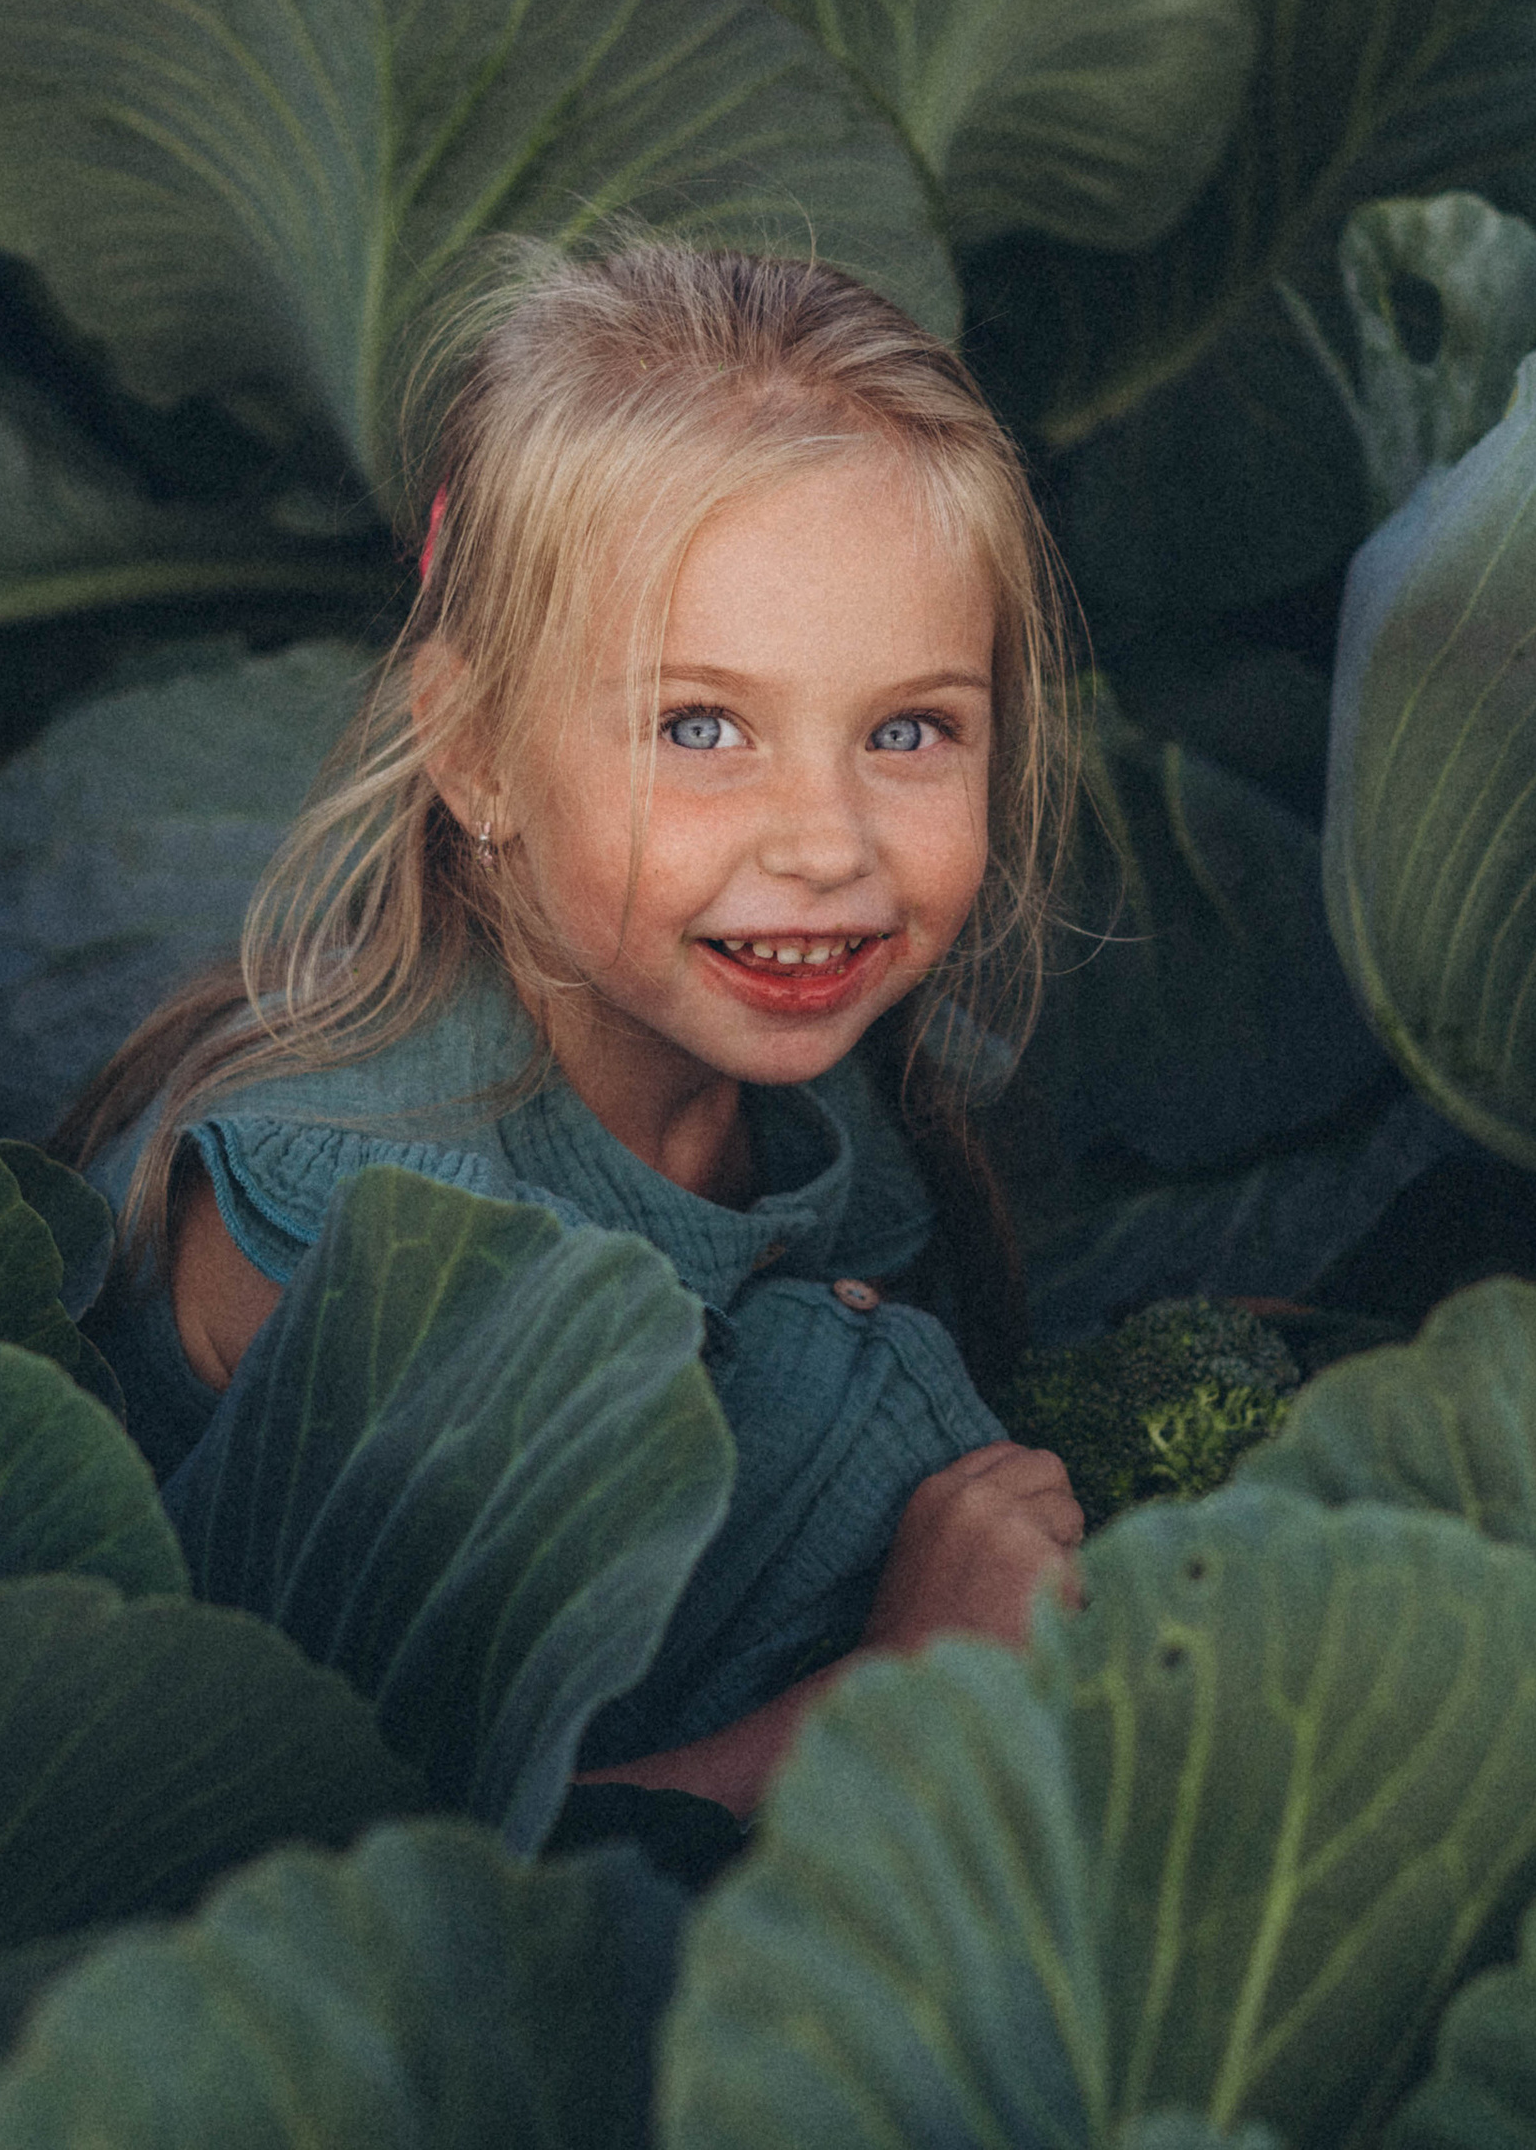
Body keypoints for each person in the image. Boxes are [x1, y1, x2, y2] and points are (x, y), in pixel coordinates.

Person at [62, 239, 1089, 1814]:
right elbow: (390, 1880)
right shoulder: (352, 1241)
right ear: (473, 755)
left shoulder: (817, 1093)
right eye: (701, 727)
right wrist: (899, 1695)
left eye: (908, 728)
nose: (827, 840)